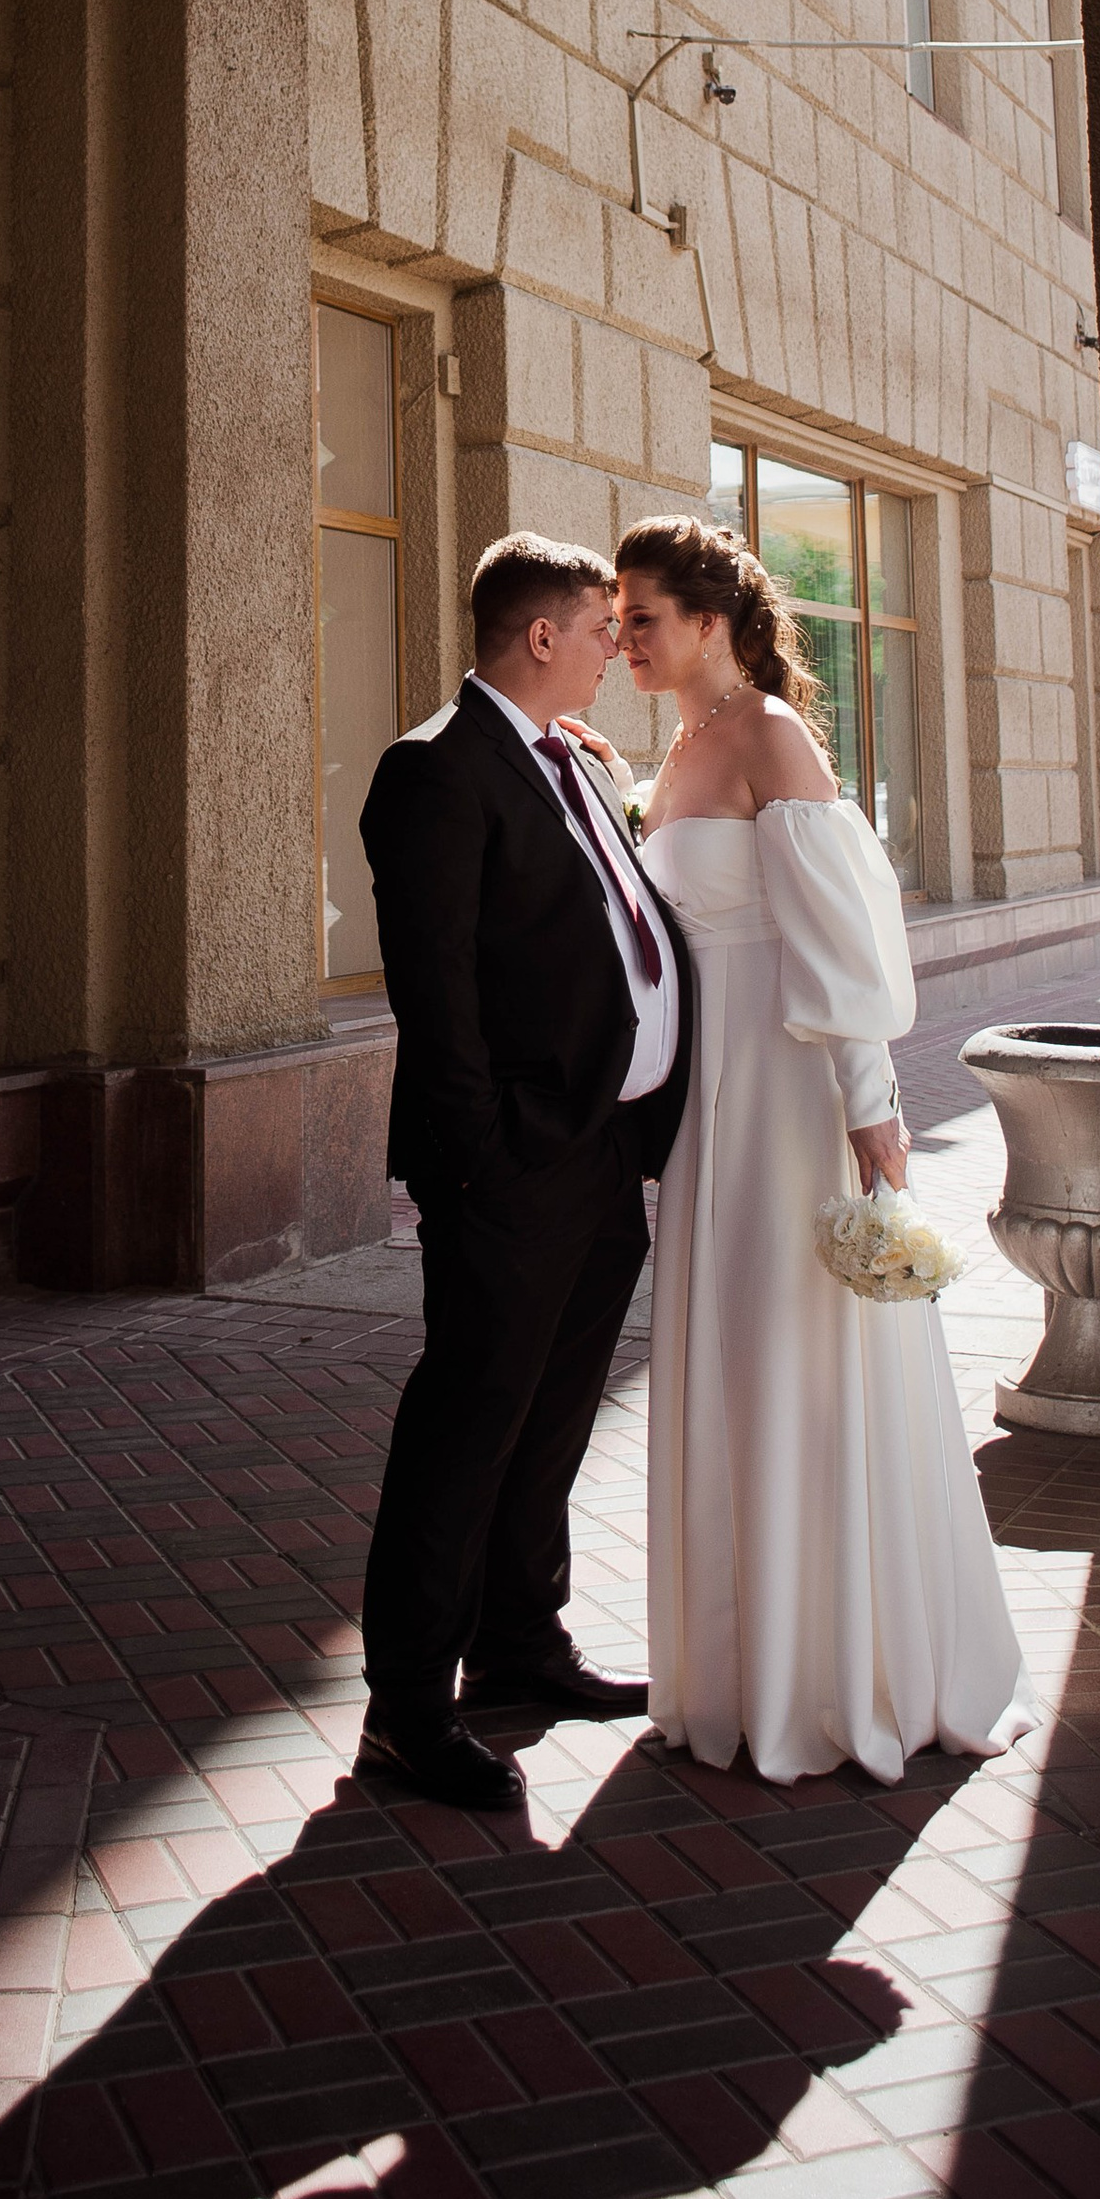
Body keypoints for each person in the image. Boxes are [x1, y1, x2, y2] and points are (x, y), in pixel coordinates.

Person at [605, 512, 1032, 1787]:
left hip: (791, 1090)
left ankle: (841, 1670)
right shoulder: (679, 744)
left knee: (802, 1352)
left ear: (710, 622)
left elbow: (836, 939)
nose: (624, 639)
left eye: (642, 618)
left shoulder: (771, 734)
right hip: (711, 1100)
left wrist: (870, 1104)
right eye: (616, 620)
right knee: (733, 1353)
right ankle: (743, 1667)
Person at [354, 532, 696, 1808]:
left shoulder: (572, 760)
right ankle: (405, 1708)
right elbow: (434, 992)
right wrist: (487, 1158)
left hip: (601, 1151)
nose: (617, 648)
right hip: (513, 1165)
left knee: (551, 1418)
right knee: (467, 1425)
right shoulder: (435, 769)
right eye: (602, 628)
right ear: (541, 635)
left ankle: (518, 1641)